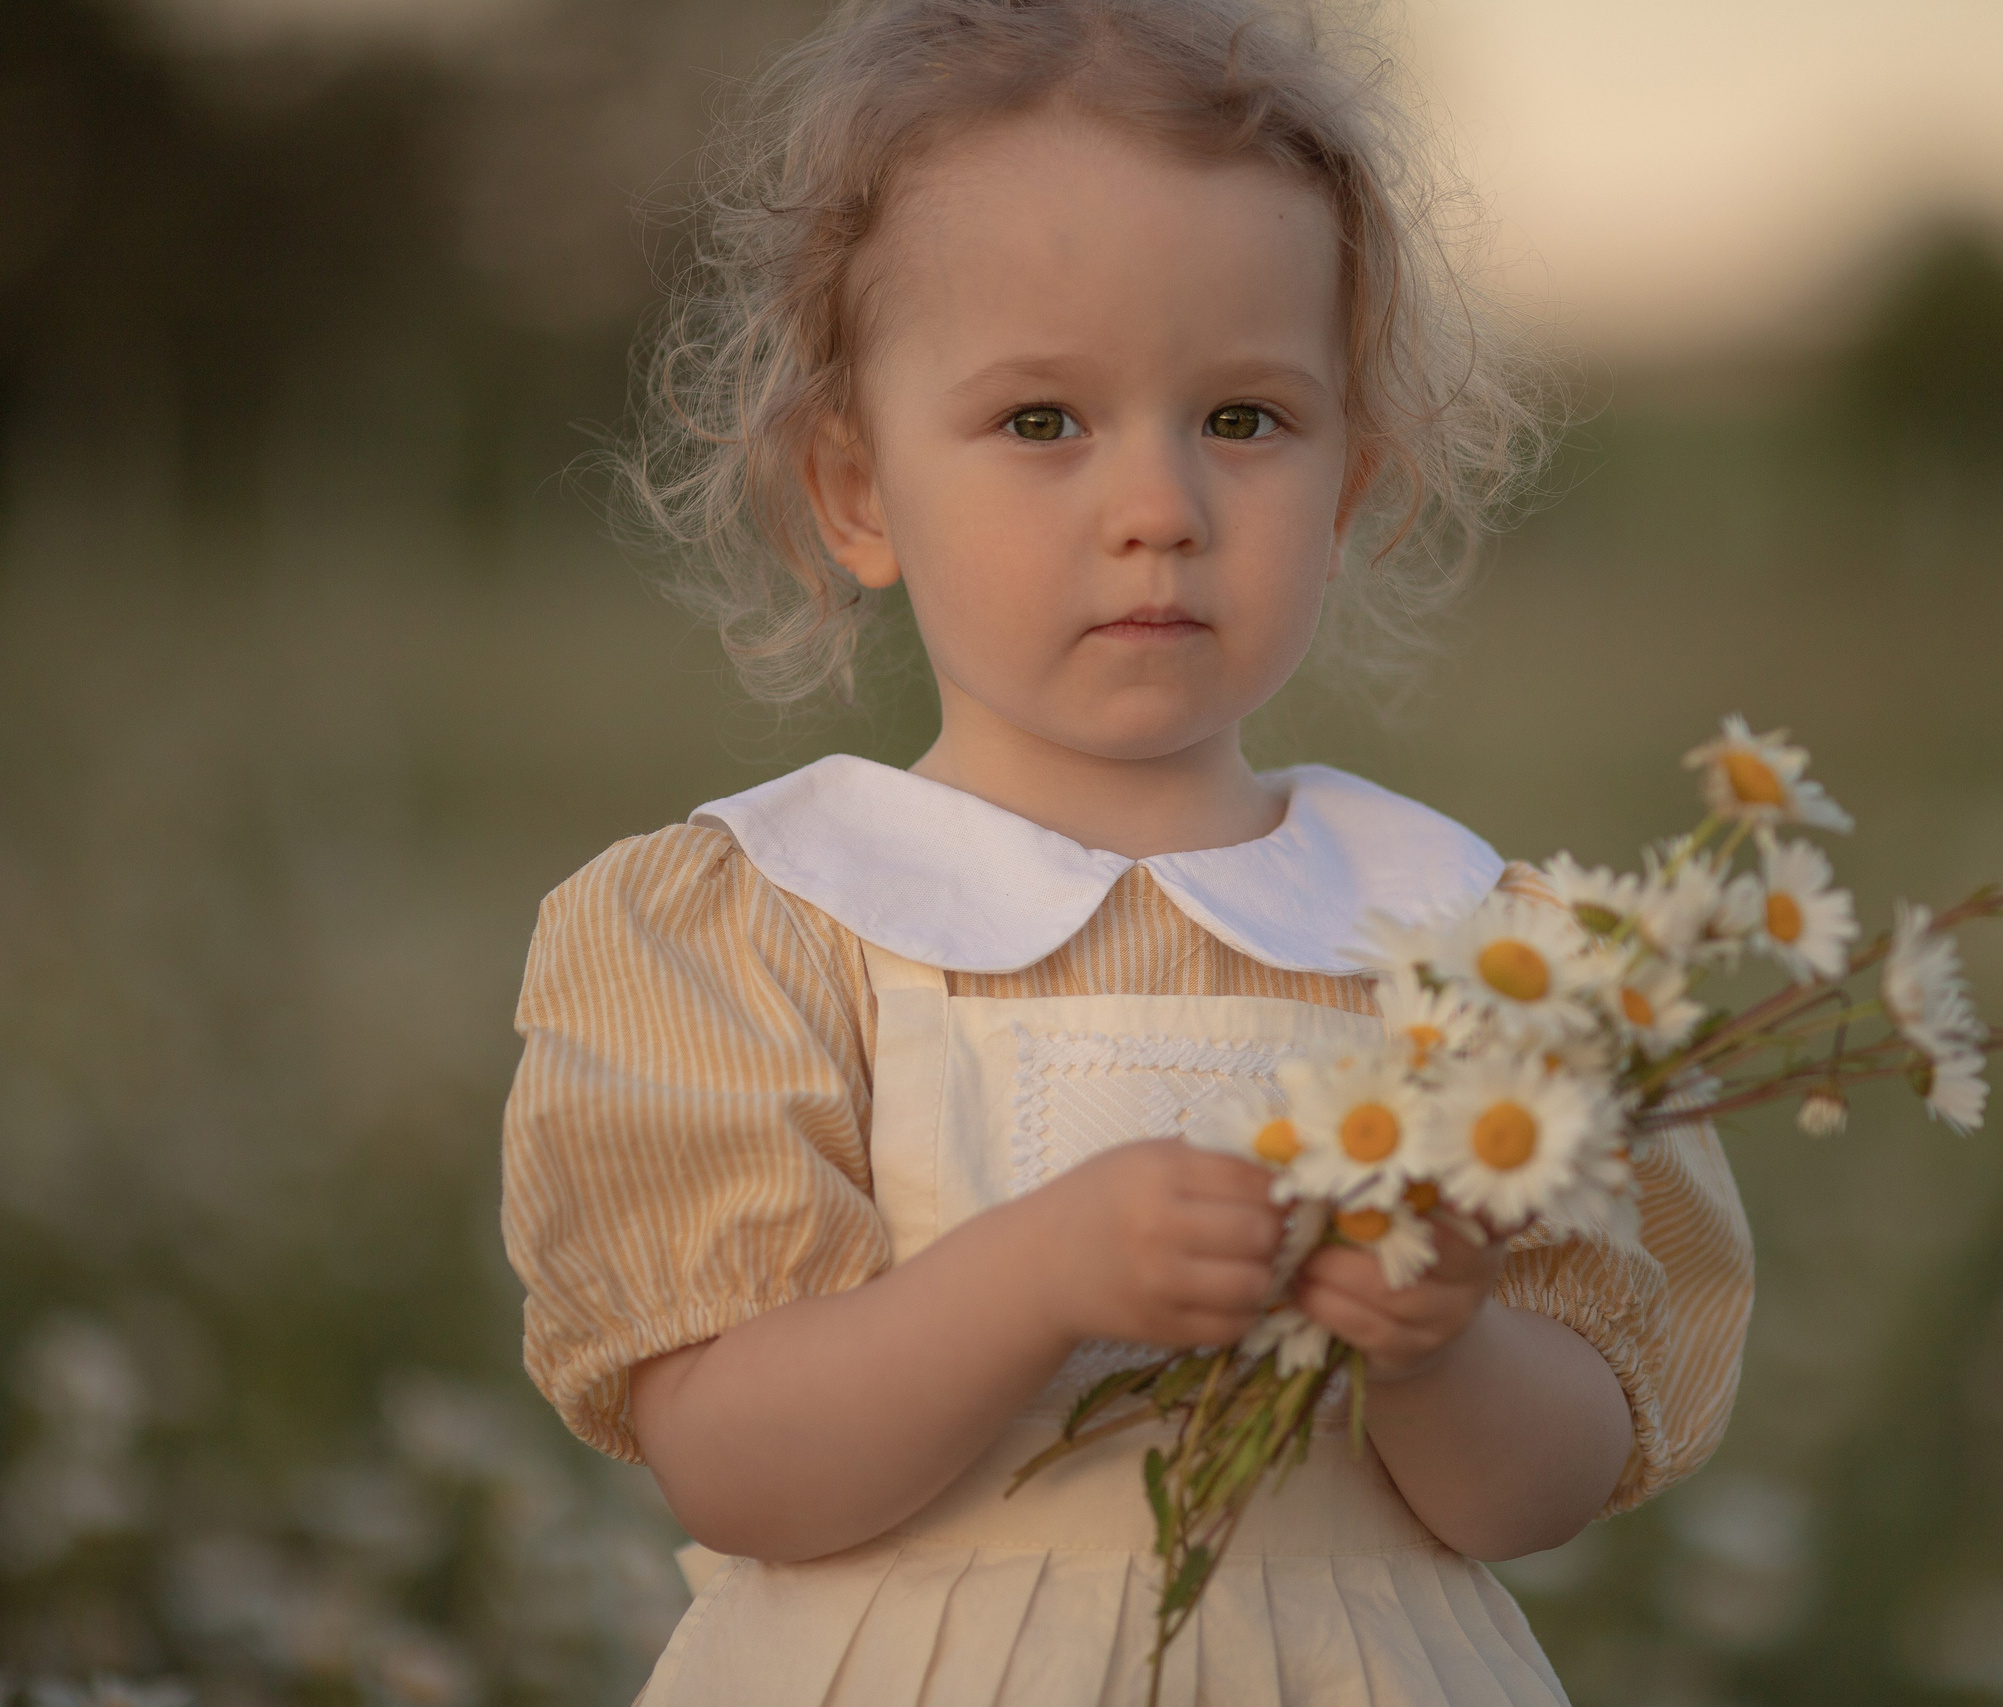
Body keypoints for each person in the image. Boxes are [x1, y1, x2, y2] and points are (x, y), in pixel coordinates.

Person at [498, 1, 1754, 1700]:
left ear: (1349, 486)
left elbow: (1542, 1494)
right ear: (856, 490)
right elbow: (736, 1466)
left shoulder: (1475, 952)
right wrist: (1034, 1277)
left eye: (1244, 419)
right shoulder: (767, 925)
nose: (1160, 507)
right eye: (1042, 422)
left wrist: (1439, 1349)